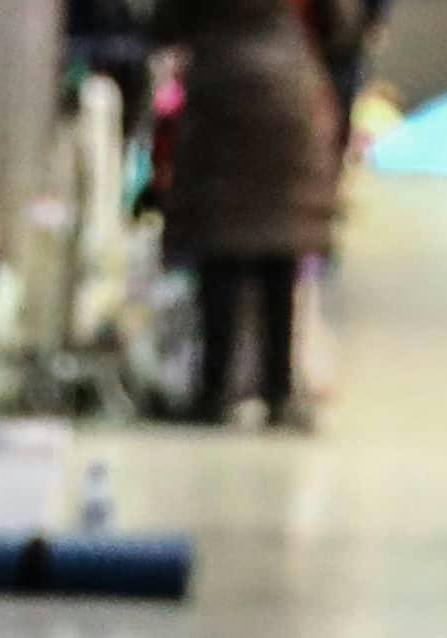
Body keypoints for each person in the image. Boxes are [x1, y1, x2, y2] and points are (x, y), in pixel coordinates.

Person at [158, 0, 348, 428]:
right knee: (281, 251)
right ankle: (278, 391)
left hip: (218, 87)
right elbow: (341, 22)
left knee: (220, 250)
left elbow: (165, 20)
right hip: (290, 88)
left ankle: (213, 391)